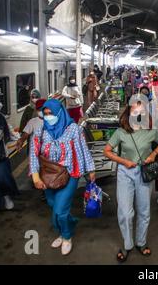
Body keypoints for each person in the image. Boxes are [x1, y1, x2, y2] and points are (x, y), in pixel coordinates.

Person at [29, 99, 96, 255]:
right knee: (54, 206)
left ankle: (66, 236)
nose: (47, 117)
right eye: (45, 114)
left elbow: (83, 150)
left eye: (50, 113)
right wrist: (36, 178)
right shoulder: (40, 130)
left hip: (70, 174)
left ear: (59, 112)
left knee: (60, 211)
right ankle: (68, 225)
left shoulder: (73, 129)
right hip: (48, 176)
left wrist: (91, 169)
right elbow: (33, 154)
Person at [103, 99, 158, 262]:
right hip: (125, 172)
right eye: (135, 112)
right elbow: (107, 151)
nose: (138, 115)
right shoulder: (121, 132)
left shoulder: (151, 131)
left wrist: (153, 155)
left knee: (144, 210)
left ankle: (141, 242)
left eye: (142, 112)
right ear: (128, 114)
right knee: (125, 212)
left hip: (144, 173)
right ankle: (127, 244)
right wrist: (123, 162)